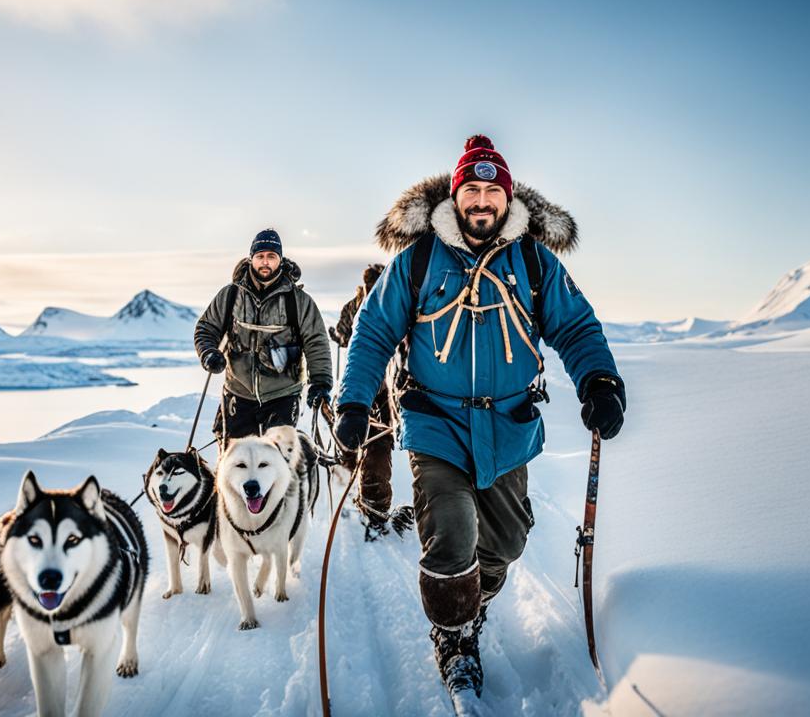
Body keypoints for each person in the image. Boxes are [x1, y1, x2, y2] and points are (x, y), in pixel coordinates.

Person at [333, 136, 626, 701]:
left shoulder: (535, 261)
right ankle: (454, 640)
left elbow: (577, 326)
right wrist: (352, 401)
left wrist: (600, 380)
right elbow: (372, 333)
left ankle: (471, 603)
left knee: (506, 543)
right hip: (435, 423)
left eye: (493, 191)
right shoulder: (417, 261)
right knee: (451, 533)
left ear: (507, 198)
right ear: (456, 195)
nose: (482, 201)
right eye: (473, 190)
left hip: (510, 427)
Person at [195, 228, 333, 447]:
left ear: (280, 259)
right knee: (235, 466)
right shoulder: (231, 295)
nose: (265, 262)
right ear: (251, 259)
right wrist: (209, 353)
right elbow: (206, 328)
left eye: (271, 256)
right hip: (238, 393)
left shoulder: (298, 301)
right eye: (260, 256)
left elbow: (316, 342)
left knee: (279, 465)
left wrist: (321, 383)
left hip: (283, 395)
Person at [329, 264, 412, 541]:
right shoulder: (390, 300)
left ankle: (349, 493)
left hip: (359, 385)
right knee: (379, 442)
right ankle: (372, 507)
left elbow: (343, 335)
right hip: (378, 384)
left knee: (359, 440)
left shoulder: (357, 305)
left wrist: (338, 336)